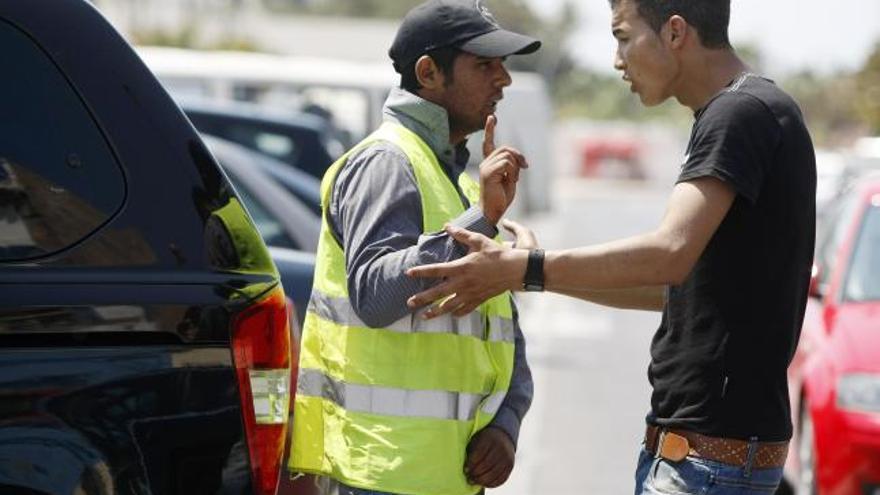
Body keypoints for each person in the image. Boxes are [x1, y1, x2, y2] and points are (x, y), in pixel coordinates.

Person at [406, 0, 817, 493]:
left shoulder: (739, 114)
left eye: (623, 36)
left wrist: (524, 269)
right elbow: (672, 287)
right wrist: (532, 273)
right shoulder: (747, 110)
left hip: (709, 462)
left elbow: (668, 253)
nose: (617, 59)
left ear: (676, 32)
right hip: (705, 458)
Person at [288, 1, 541, 495]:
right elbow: (377, 297)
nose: (504, 80)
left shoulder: (461, 184)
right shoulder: (386, 162)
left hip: (440, 478)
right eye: (484, 65)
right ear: (428, 72)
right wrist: (482, 220)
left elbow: (501, 332)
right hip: (378, 474)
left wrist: (505, 424)